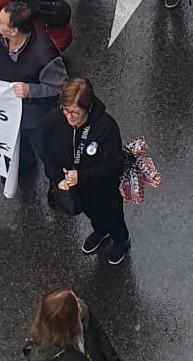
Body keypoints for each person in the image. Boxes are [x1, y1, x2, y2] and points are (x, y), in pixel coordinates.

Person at [41, 75, 130, 264]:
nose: (69, 117)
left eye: (74, 112)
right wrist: (58, 179)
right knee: (92, 214)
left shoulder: (107, 127)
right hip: (75, 188)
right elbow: (45, 150)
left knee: (112, 214)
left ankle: (121, 238)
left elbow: (114, 166)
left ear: (88, 107)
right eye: (66, 111)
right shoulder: (55, 119)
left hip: (102, 189)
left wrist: (82, 176)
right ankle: (100, 230)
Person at [0, 0, 69, 179]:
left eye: (2, 22)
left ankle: (59, 186)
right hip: (6, 108)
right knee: (14, 142)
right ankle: (23, 166)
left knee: (47, 151)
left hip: (34, 116)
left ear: (14, 31)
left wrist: (31, 90)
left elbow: (60, 88)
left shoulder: (45, 56)